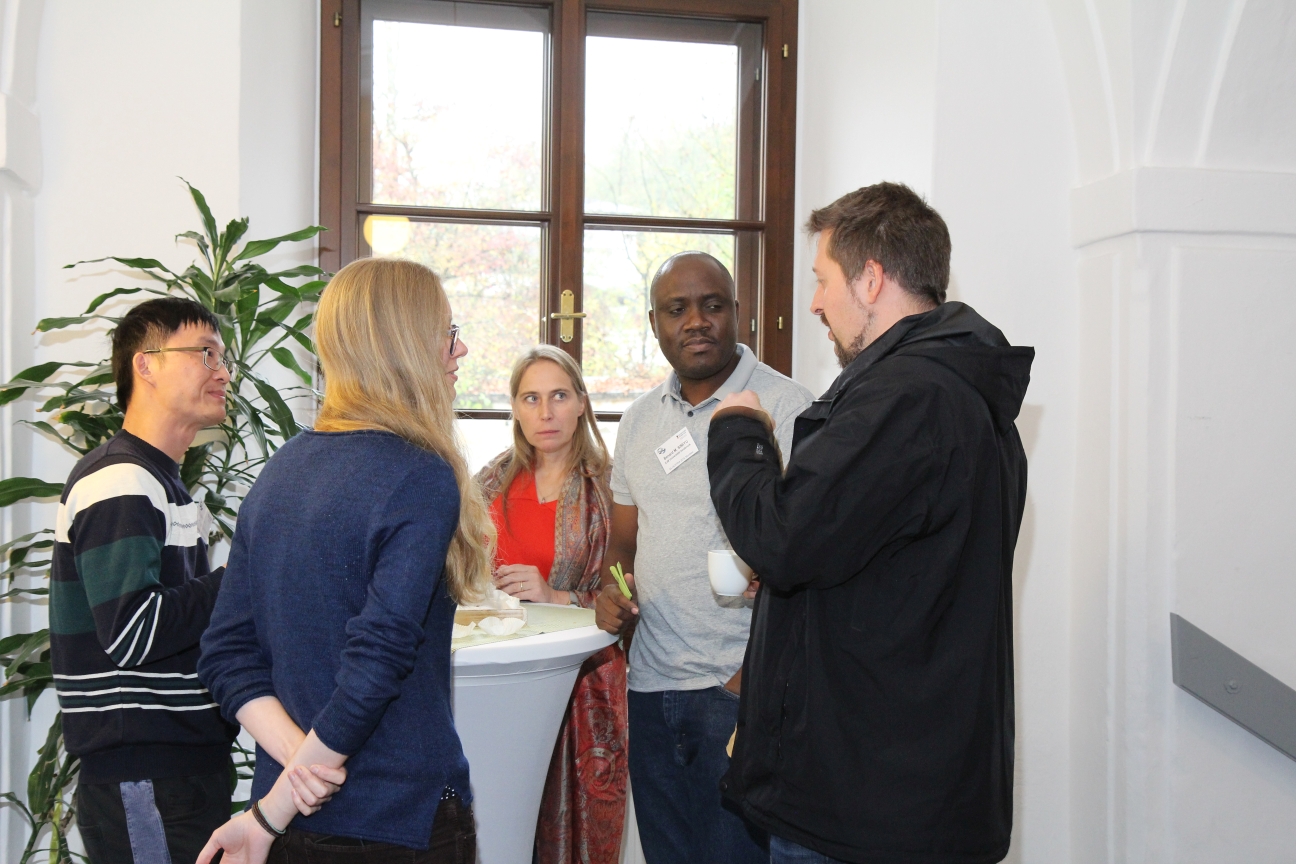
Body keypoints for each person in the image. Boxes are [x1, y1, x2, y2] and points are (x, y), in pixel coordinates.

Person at [705, 183, 1033, 864]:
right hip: (908, 787)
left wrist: (740, 431)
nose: (815, 302)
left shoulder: (904, 397)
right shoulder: (957, 391)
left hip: (865, 802)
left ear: (872, 279)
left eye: (823, 280)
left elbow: (781, 539)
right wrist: (798, 600)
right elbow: (894, 571)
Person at [196, 257, 492, 864]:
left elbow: (226, 650)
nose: (459, 349)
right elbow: (376, 662)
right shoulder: (419, 475)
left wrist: (290, 783)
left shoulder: (282, 469)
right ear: (406, 344)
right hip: (396, 821)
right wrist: (286, 797)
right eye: (447, 332)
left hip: (292, 828)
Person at [593, 252, 813, 864]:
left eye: (712, 305)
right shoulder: (639, 421)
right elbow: (623, 544)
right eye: (677, 309)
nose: (696, 321)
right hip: (651, 688)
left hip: (742, 690)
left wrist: (746, 682)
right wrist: (612, 591)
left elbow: (810, 557)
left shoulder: (790, 408)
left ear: (737, 313)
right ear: (654, 323)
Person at [48, 297, 240, 864]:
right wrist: (241, 577)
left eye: (223, 358)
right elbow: (135, 632)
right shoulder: (121, 479)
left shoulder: (158, 482)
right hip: (149, 779)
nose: (222, 372)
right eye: (205, 353)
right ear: (146, 364)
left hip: (172, 776)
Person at [475, 344, 626, 864]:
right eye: (531, 398)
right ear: (514, 408)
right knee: (498, 819)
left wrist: (555, 596)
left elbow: (630, 592)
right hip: (496, 679)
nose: (546, 412)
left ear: (582, 403)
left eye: (559, 396)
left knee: (577, 827)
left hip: (582, 683)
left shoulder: (611, 489)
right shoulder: (487, 484)